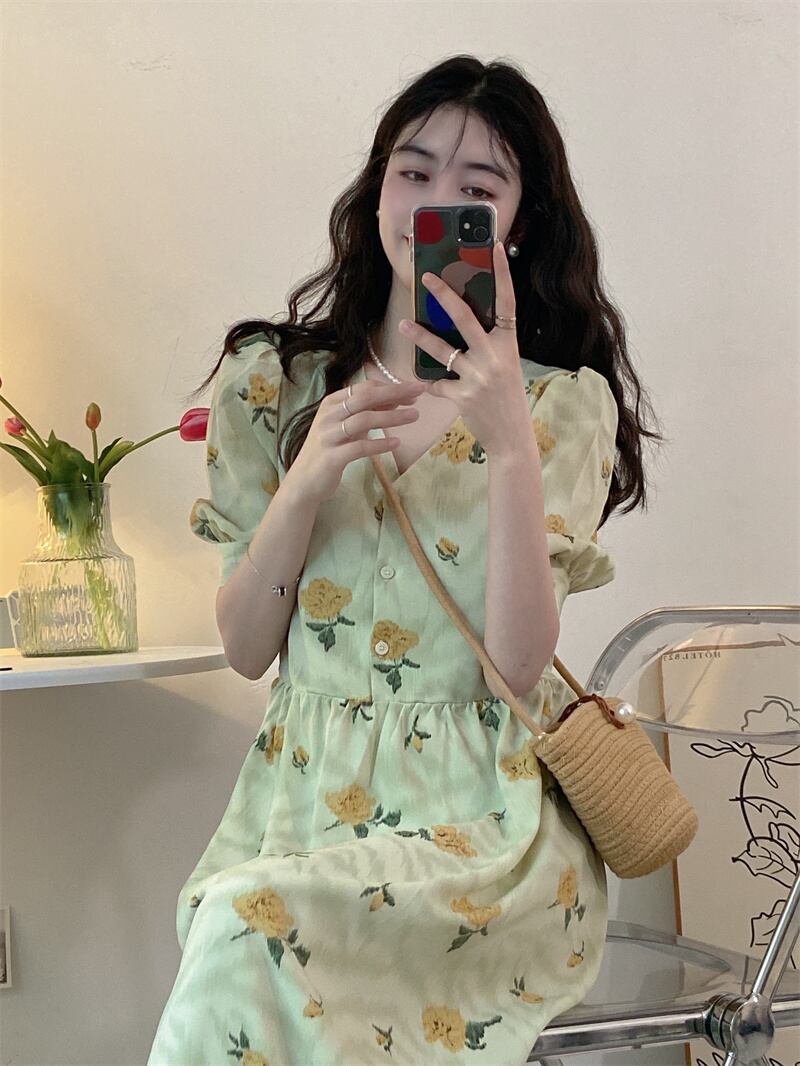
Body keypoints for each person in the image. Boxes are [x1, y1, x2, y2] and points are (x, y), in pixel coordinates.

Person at [149, 54, 665, 1065]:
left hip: (485, 829)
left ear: (515, 223)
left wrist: (507, 440)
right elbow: (247, 648)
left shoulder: (561, 406)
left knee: (248, 928)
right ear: (376, 189)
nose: (434, 201)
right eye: (413, 171)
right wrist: (305, 480)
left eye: (477, 187)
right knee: (247, 933)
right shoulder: (276, 384)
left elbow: (516, 665)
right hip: (301, 807)